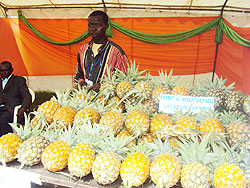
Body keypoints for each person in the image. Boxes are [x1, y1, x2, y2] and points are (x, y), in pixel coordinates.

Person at [73, 10, 129, 91]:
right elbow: (79, 73)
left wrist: (103, 86)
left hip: (107, 101)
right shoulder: (83, 49)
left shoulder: (117, 52)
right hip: (86, 99)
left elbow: (124, 82)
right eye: (90, 25)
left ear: (107, 26)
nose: (93, 29)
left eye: (98, 25)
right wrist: (80, 82)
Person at [0, 61, 32, 136]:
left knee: (3, 120)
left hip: (11, 110)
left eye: (6, 70)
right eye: (1, 71)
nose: (3, 73)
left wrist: (24, 107)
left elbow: (27, 95)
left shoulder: (18, 80)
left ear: (11, 70)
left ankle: (5, 141)